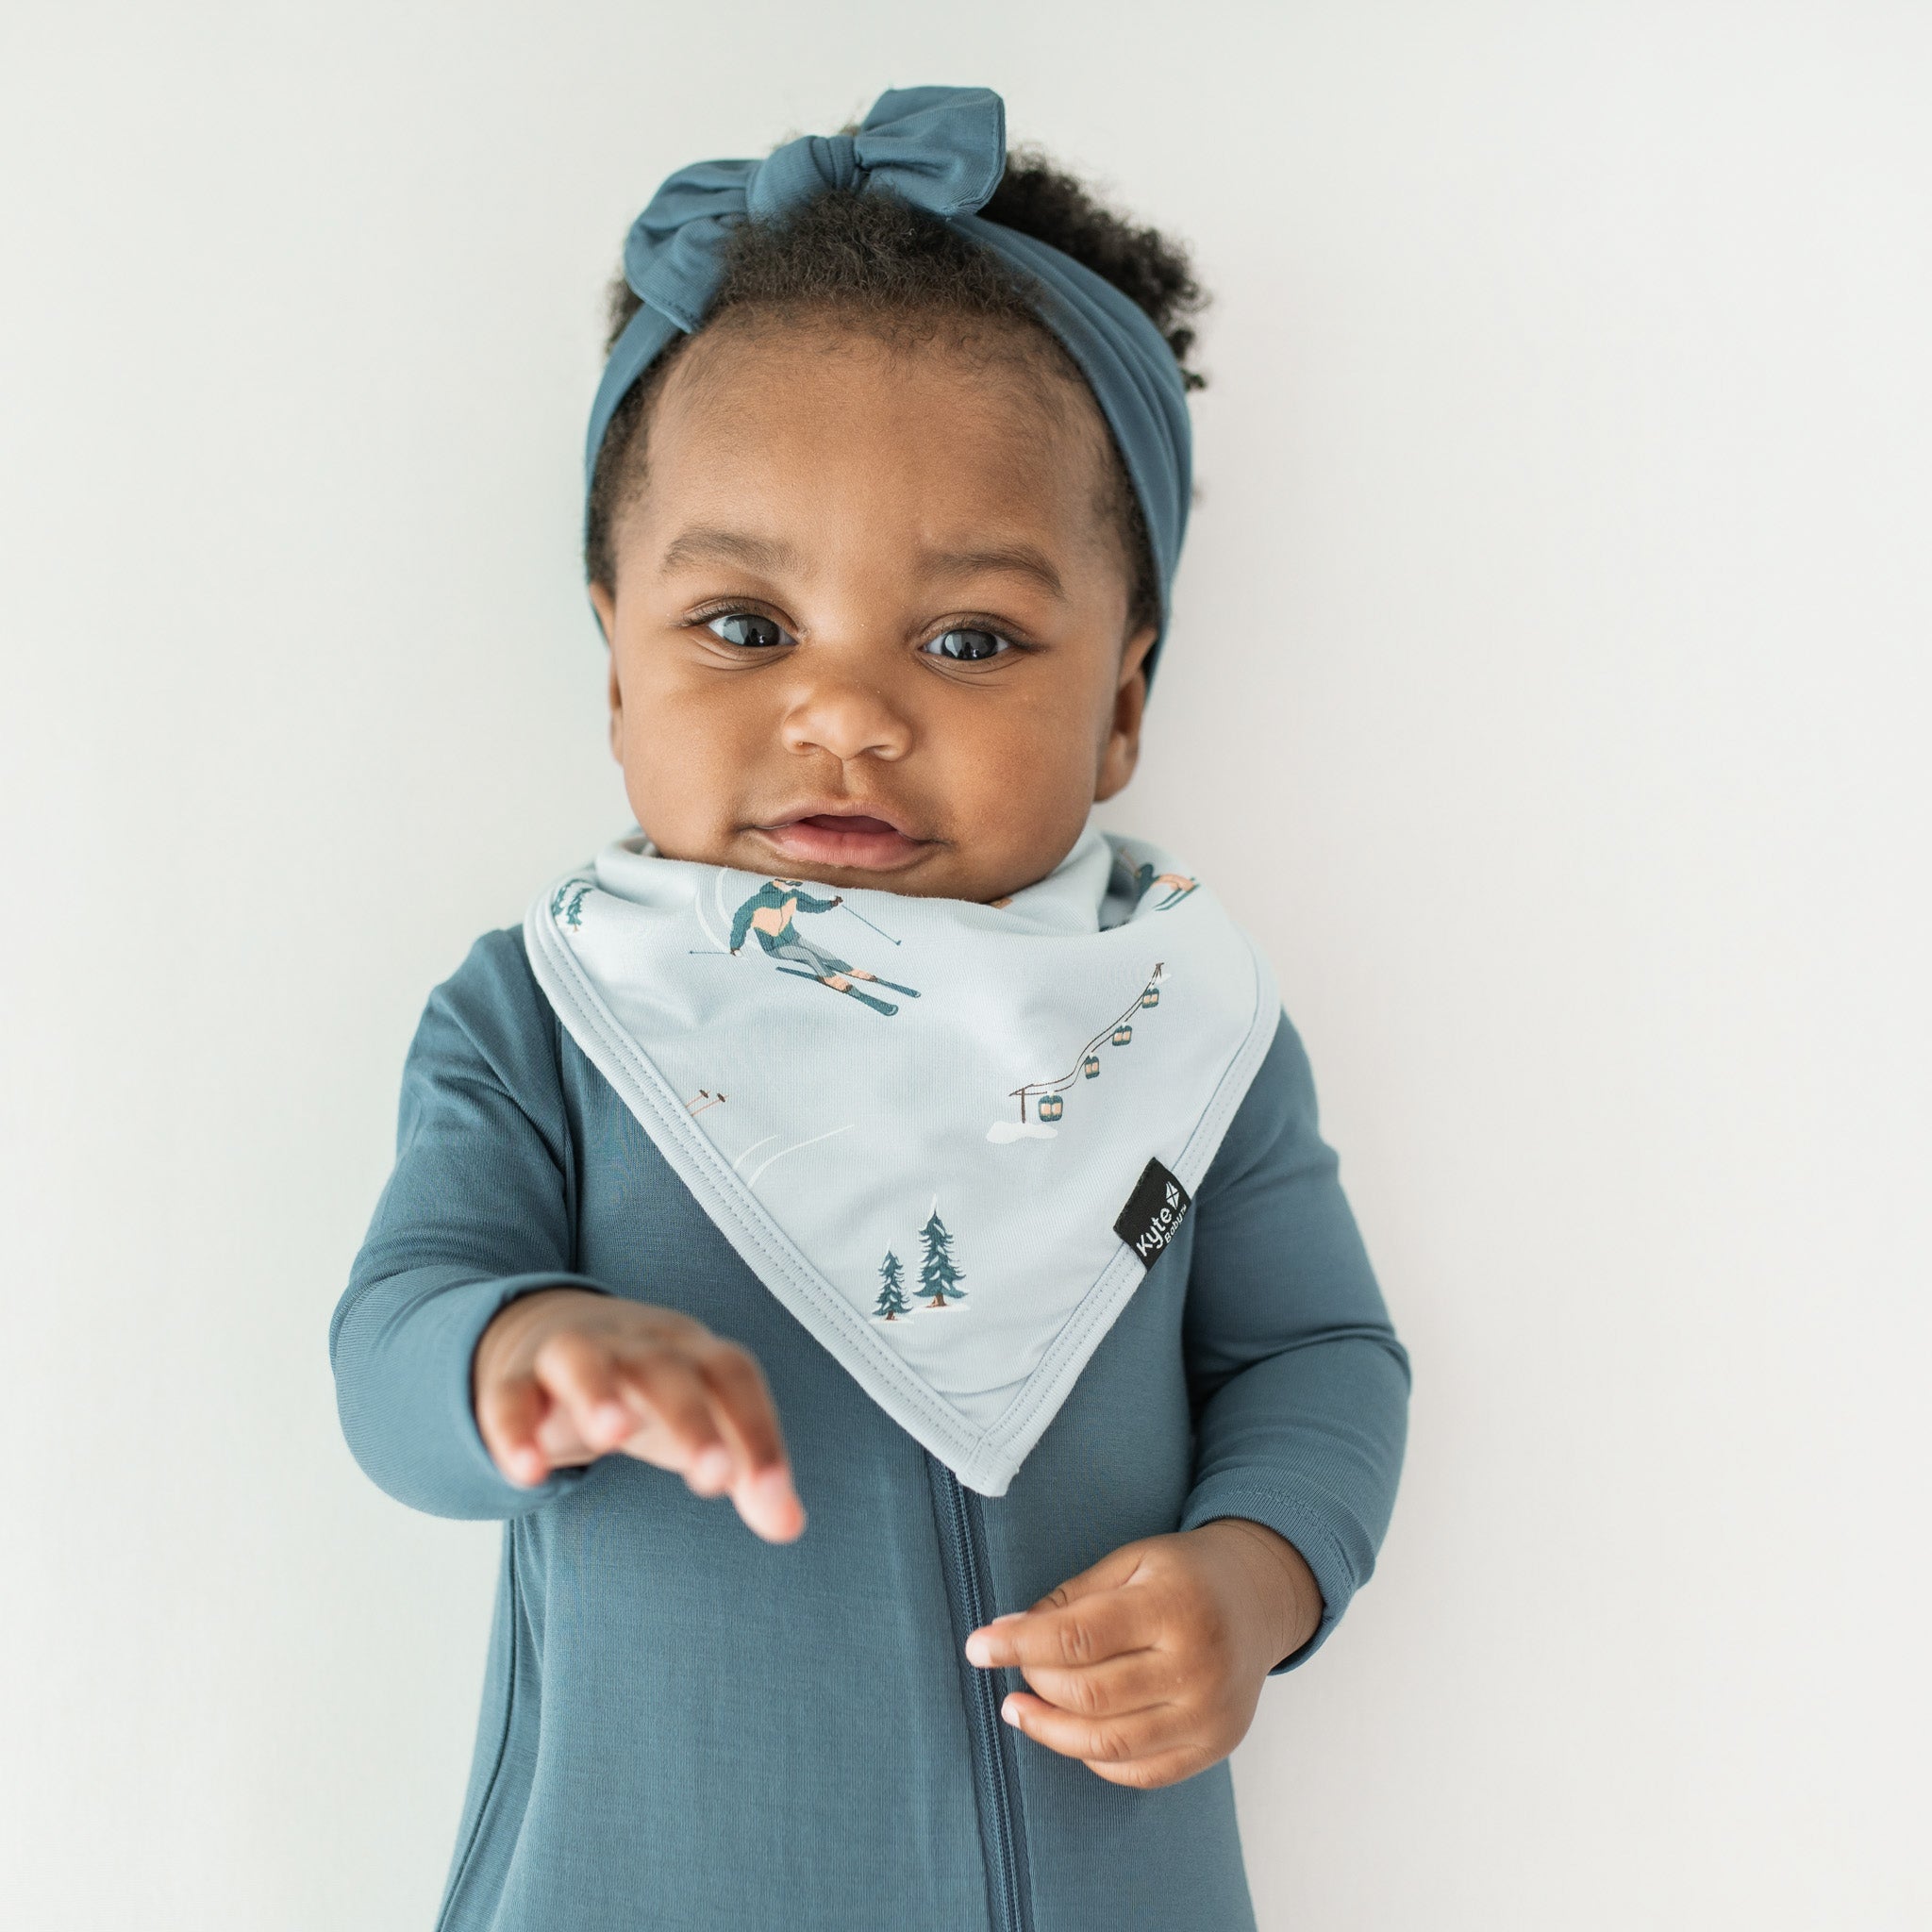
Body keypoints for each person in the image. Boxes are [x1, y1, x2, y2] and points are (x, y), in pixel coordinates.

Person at [330, 85, 1409, 1932]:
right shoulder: (553, 1016)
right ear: (616, 669)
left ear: (1122, 702)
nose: (843, 714)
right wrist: (517, 1353)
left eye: (968, 639)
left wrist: (1250, 1581)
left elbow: (1317, 1358)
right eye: (745, 628)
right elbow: (390, 1341)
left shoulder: (1178, 1031)